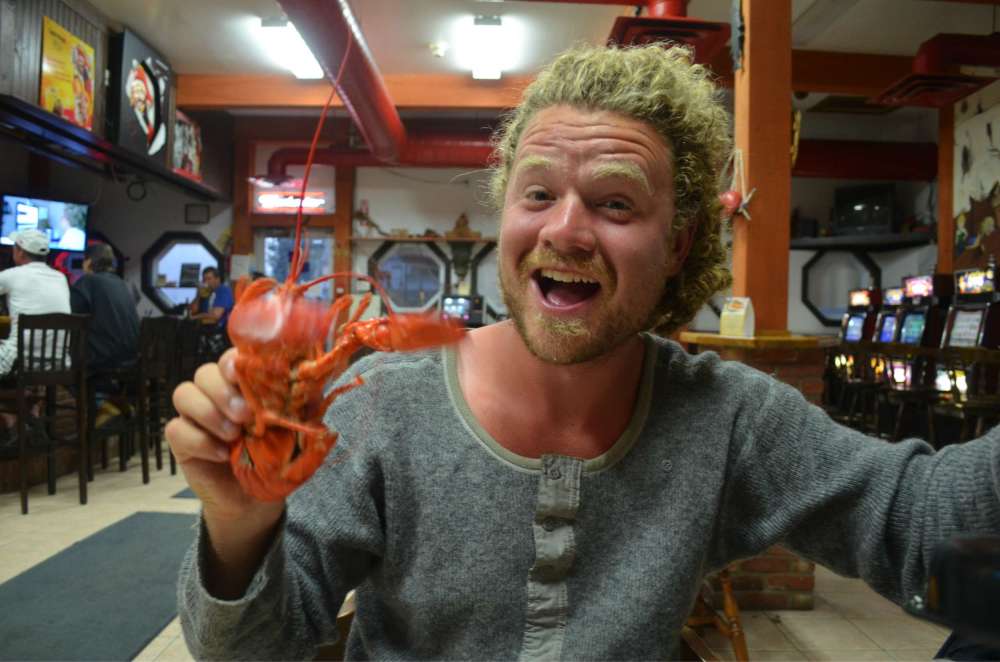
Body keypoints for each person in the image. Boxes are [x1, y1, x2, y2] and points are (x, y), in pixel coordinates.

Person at [166, 45, 1000, 660]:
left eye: (615, 203)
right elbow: (250, 651)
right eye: (537, 193)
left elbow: (921, 524)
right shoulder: (382, 398)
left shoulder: (729, 418)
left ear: (678, 246)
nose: (564, 229)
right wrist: (239, 523)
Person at [0, 230, 71, 377]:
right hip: (59, 363)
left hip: (20, 361)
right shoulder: (61, 278)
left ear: (20, 252)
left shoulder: (11, 275)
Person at [70, 242, 139, 378]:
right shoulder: (122, 283)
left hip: (103, 358)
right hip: (131, 357)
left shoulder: (87, 281)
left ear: (88, 262)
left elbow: (71, 317)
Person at [188, 266, 233, 330]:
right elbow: (193, 310)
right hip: (205, 326)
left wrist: (195, 317)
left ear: (217, 279)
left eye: (209, 279)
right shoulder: (206, 292)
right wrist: (198, 295)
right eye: (204, 280)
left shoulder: (223, 291)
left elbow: (216, 315)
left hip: (219, 328)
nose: (206, 282)